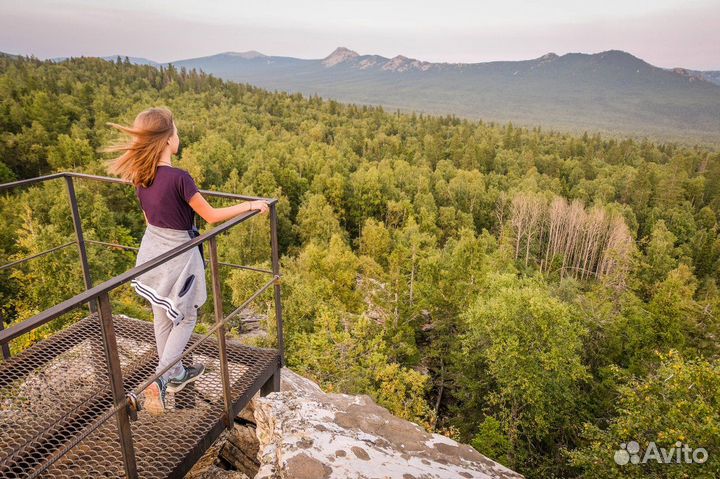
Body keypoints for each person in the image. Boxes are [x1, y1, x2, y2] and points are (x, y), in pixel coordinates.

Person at [102, 106, 269, 415]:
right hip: (180, 255)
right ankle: (160, 380)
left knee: (162, 314)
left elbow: (150, 218)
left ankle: (175, 374)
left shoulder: (139, 176)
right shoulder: (180, 178)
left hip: (153, 253)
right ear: (167, 140)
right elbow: (211, 216)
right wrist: (250, 205)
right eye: (175, 132)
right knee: (188, 316)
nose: (178, 136)